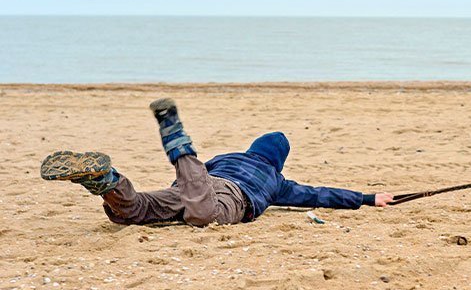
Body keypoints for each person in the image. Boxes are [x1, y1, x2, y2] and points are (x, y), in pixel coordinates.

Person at [40, 98, 393, 226]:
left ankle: (106, 181)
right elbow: (319, 195)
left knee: (133, 211)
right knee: (204, 214)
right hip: (227, 196)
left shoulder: (230, 156)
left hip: (195, 184)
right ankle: (176, 137)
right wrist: (366, 198)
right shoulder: (277, 180)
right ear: (279, 161)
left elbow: (202, 175)